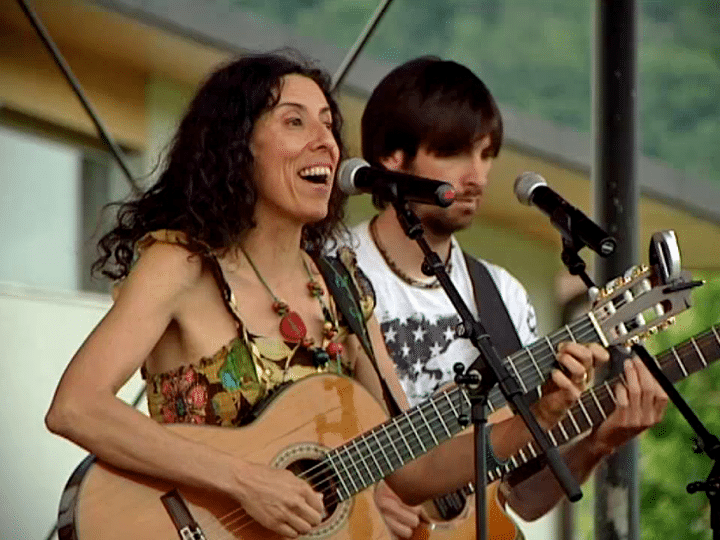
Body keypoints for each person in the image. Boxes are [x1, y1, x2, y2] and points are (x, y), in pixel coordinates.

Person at [45, 51, 596, 539]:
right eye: (294, 121)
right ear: (238, 145)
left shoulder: (343, 288)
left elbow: (412, 466)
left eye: (329, 125)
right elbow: (76, 407)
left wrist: (538, 418)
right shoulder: (183, 264)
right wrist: (245, 481)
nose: (325, 142)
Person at [350, 56, 668, 538]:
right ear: (392, 156)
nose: (477, 175)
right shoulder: (327, 272)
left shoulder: (500, 295)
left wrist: (598, 444)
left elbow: (519, 498)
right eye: (455, 152)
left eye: (486, 154)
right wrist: (362, 495)